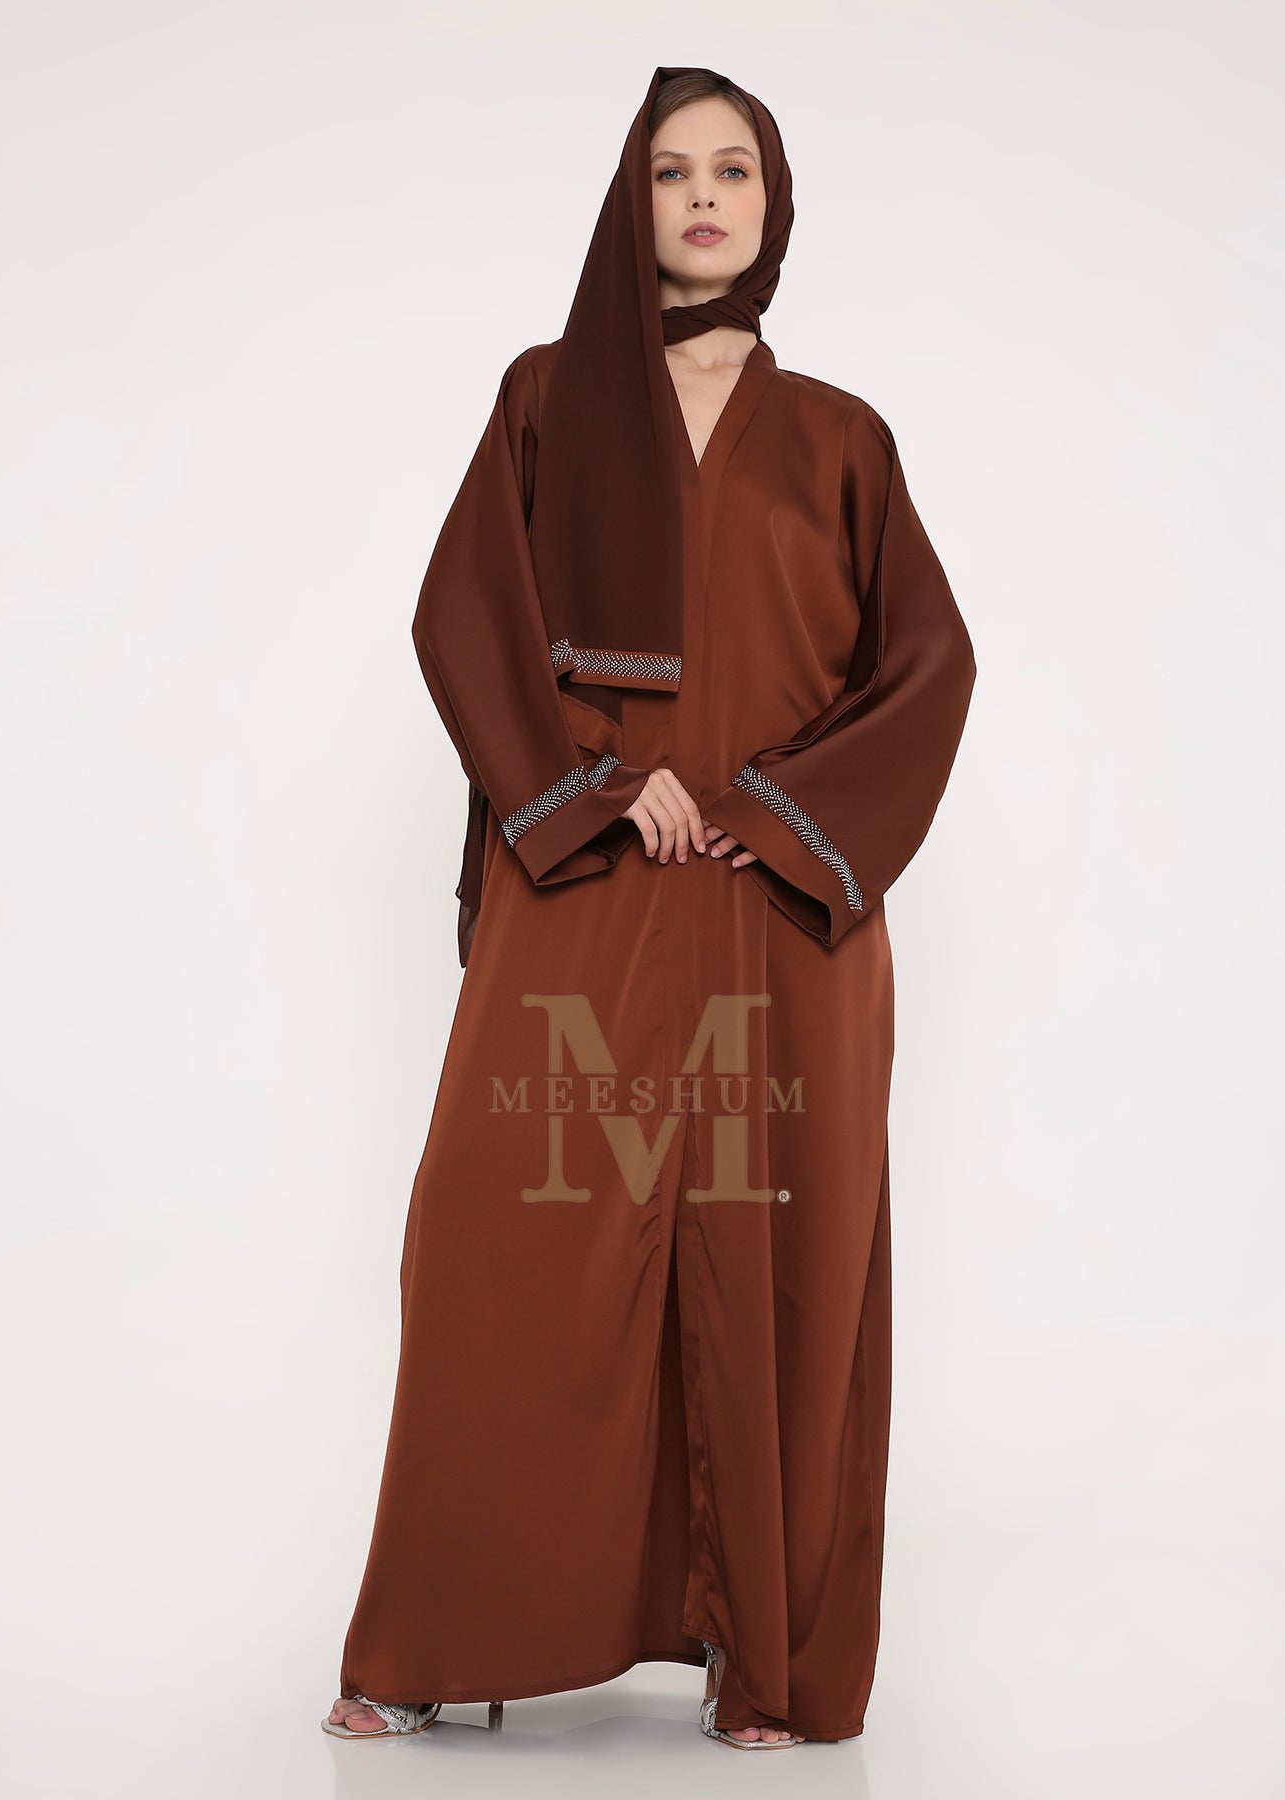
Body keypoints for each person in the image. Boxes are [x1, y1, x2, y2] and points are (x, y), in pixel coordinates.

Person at [322, 63, 975, 1750]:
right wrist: (603, 780)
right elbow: (468, 614)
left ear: (772, 203)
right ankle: (433, 1636)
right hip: (591, 885)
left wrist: (773, 812)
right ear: (633, 201)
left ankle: (762, 1663)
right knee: (508, 1246)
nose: (702, 197)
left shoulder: (840, 438)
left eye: (732, 170)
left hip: (776, 909)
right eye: (672, 170)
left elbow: (923, 666)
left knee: (775, 1262)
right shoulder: (549, 395)